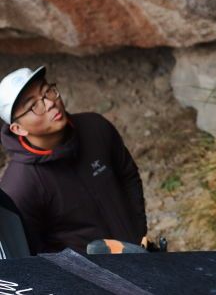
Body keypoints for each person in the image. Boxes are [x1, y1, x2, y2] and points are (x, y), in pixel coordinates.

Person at [0, 65, 148, 254]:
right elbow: (32, 254)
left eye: (47, 92)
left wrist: (138, 232)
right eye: (33, 106)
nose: (49, 104)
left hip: (136, 254)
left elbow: (128, 176)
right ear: (18, 129)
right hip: (90, 278)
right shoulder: (20, 186)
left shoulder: (95, 127)